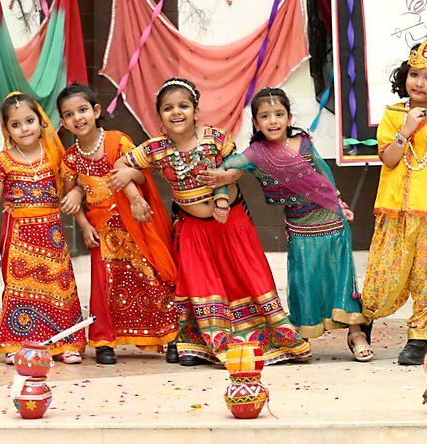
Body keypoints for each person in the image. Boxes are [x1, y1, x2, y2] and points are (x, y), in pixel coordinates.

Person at [111, 78, 311, 367]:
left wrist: (220, 195)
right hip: (193, 229)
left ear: (195, 111)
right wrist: (134, 196)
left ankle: (268, 340)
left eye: (183, 106)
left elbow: (233, 166)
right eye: (168, 108)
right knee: (201, 284)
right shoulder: (155, 149)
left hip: (230, 222)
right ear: (160, 117)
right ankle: (199, 345)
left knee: (246, 277)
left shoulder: (215, 138)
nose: (176, 112)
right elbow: (121, 165)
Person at [205, 87, 371, 361]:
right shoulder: (256, 153)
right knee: (303, 279)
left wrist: (339, 202)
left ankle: (356, 333)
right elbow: (225, 169)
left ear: (289, 117)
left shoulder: (303, 142)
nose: (273, 121)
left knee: (341, 276)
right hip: (300, 225)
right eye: (265, 116)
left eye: (279, 114)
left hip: (331, 219)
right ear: (256, 123)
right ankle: (301, 337)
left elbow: (323, 171)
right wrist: (222, 197)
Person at [56, 83, 179, 365]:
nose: (78, 118)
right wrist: (84, 224)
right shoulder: (71, 158)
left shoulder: (118, 141)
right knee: (104, 284)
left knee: (150, 276)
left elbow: (140, 176)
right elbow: (72, 194)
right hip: (101, 231)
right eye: (70, 114)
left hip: (133, 226)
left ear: (96, 111)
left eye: (83, 110)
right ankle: (104, 341)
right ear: (63, 122)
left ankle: (170, 336)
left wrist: (130, 184)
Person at [361, 31, 427, 365]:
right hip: (394, 209)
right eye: (414, 74)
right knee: (384, 272)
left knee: (426, 277)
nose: (419, 82)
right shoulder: (392, 115)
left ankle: (419, 338)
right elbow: (389, 159)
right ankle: (364, 320)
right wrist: (405, 130)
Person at [0, 91, 86, 364]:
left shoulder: (56, 157)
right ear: (7, 129)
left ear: (41, 123)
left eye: (29, 121)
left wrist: (78, 193)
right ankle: (17, 342)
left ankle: (67, 342)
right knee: (20, 289)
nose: (24, 128)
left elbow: (78, 183)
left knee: (59, 286)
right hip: (19, 236)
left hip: (52, 234)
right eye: (15, 124)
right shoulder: (3, 161)